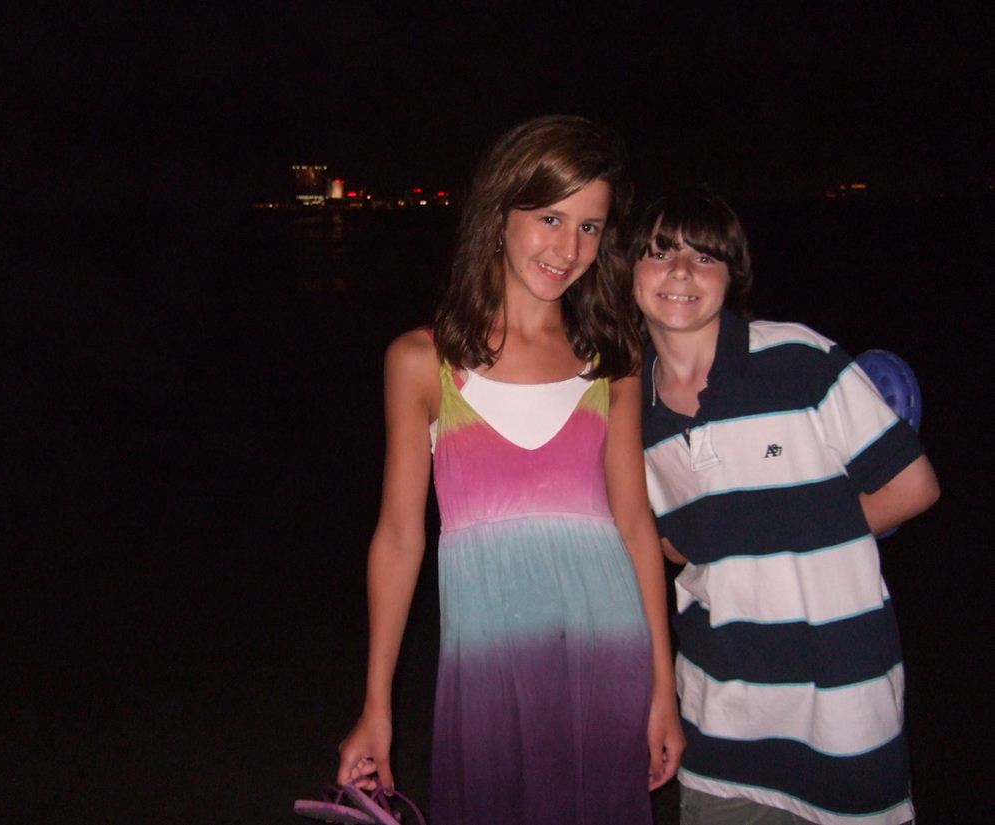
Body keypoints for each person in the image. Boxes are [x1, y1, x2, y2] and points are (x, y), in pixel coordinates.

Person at [335, 115, 684, 825]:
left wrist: (662, 689)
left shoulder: (612, 360)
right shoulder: (422, 362)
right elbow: (399, 538)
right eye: (550, 218)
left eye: (590, 227)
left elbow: (634, 525)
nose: (569, 248)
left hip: (607, 662)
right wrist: (376, 707)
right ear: (500, 215)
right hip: (486, 675)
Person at [628, 186, 940, 825]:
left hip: (844, 701)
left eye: (704, 257)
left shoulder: (797, 357)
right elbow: (672, 545)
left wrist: (794, 533)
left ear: (732, 275)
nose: (681, 272)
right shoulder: (632, 412)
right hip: (719, 710)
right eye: (659, 253)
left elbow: (911, 486)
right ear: (628, 270)